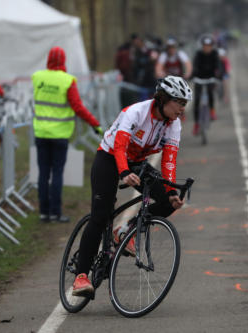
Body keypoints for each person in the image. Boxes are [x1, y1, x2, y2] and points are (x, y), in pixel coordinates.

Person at [72, 75, 192, 297]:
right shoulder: (135, 112)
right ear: (164, 99)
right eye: (180, 103)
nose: (182, 109)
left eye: (185, 104)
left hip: (137, 163)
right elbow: (119, 146)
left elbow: (169, 160)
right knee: (100, 216)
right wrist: (124, 172)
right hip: (109, 159)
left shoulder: (173, 124)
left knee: (168, 204)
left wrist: (171, 192)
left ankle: (124, 230)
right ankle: (81, 277)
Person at [32, 46, 102, 223]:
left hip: (40, 133)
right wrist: (95, 124)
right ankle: (55, 213)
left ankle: (43, 212)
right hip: (59, 135)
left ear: (48, 59)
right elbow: (77, 107)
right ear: (63, 61)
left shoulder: (37, 77)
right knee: (56, 173)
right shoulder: (67, 80)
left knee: (42, 173)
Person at [191, 34, 221, 135]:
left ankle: (212, 110)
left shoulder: (214, 54)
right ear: (202, 46)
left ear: (211, 46)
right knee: (196, 101)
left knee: (210, 93)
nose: (207, 48)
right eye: (205, 45)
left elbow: (218, 66)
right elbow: (194, 66)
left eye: (209, 46)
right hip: (199, 79)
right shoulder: (198, 54)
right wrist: (192, 75)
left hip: (210, 79)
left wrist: (218, 75)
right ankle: (196, 124)